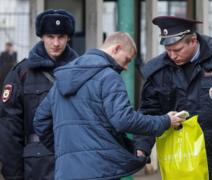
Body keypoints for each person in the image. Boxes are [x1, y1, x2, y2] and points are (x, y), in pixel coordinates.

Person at [33, 32, 183, 180]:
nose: (126, 68)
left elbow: (40, 122)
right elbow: (123, 120)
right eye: (126, 60)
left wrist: (66, 152)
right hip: (101, 170)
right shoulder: (109, 76)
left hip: (66, 172)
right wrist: (165, 121)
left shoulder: (62, 79)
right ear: (116, 49)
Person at [134, 16, 212, 179]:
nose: (172, 55)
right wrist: (141, 148)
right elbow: (149, 111)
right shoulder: (158, 71)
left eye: (177, 50)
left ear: (193, 40)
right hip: (181, 156)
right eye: (167, 50)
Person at [0, 9, 78, 180]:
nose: (56, 43)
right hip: (36, 167)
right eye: (50, 36)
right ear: (42, 37)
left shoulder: (81, 72)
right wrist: (13, 175)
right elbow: (9, 129)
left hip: (75, 161)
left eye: (61, 37)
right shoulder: (21, 73)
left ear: (68, 38)